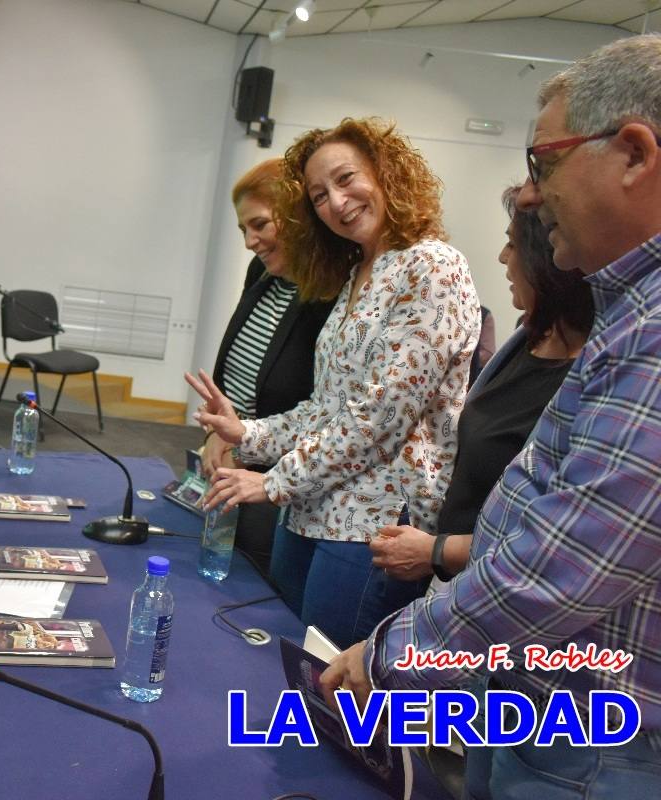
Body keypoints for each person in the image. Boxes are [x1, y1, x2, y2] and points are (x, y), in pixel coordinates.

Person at [323, 35, 661, 797]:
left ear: (634, 154)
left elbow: (565, 567)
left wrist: (392, 652)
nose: (532, 194)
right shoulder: (627, 309)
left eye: (543, 162)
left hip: (601, 745)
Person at [188, 118, 479, 647]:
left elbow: (378, 419)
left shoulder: (433, 267)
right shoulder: (356, 274)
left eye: (346, 180)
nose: (337, 202)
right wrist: (246, 435)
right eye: (319, 196)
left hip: (375, 526)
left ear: (387, 172)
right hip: (312, 510)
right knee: (288, 663)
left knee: (331, 694)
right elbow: (328, 408)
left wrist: (271, 482)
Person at [370, 184, 593, 582]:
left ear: (548, 257)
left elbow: (549, 537)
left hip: (491, 585)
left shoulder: (584, 377)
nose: (503, 257)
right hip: (450, 577)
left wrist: (437, 550)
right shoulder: (526, 341)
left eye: (513, 245)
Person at [203, 159, 332, 576]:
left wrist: (243, 446)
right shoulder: (262, 271)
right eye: (243, 229)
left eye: (259, 224)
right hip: (234, 459)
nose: (249, 241)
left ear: (295, 216)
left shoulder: (331, 294)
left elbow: (318, 408)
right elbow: (241, 370)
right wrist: (215, 435)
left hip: (282, 481)